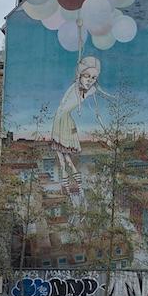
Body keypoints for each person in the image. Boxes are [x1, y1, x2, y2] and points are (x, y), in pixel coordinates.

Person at [51, 56, 106, 202]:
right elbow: (68, 106)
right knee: (64, 161)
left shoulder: (78, 89)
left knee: (66, 161)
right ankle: (74, 192)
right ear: (80, 75)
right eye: (87, 76)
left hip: (64, 123)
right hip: (62, 123)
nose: (90, 80)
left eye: (93, 77)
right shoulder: (75, 89)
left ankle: (76, 192)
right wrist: (88, 94)